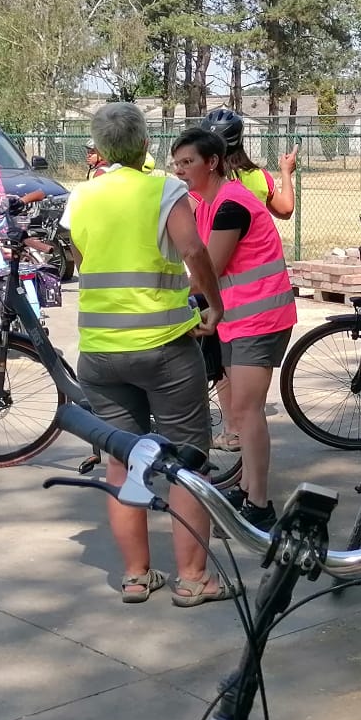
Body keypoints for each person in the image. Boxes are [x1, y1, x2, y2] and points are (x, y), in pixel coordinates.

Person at [70, 102, 226, 607]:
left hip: (99, 352)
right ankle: (192, 578)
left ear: (99, 146)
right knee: (186, 462)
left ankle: (136, 576)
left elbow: (79, 256)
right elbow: (193, 251)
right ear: (143, 145)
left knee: (121, 463)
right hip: (163, 347)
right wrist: (212, 303)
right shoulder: (164, 189)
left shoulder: (83, 195)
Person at [171, 126, 297, 530]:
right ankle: (246, 487)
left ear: (212, 162)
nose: (181, 170)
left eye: (188, 162)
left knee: (247, 411)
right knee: (242, 413)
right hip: (238, 319)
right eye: (176, 163)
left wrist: (165, 295)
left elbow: (210, 269)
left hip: (260, 319)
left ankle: (259, 503)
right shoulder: (205, 201)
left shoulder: (231, 205)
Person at [201, 108, 295, 220]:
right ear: (240, 140)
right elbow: (285, 210)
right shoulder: (258, 175)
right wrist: (286, 171)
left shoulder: (200, 179)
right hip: (256, 236)